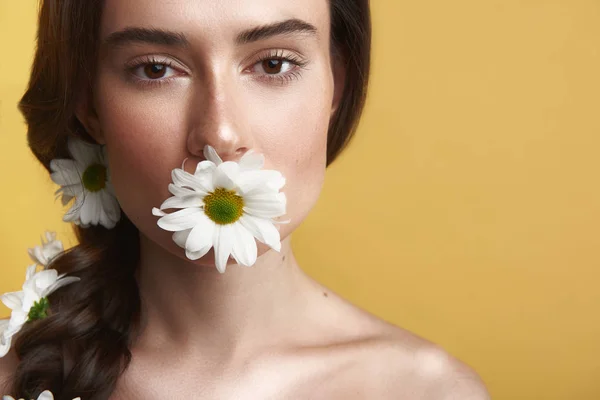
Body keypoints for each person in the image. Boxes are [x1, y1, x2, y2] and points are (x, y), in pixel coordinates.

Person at [0, 0, 490, 398]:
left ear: (336, 82)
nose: (220, 133)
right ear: (89, 105)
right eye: (155, 70)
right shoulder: (15, 377)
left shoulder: (430, 391)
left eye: (273, 64)